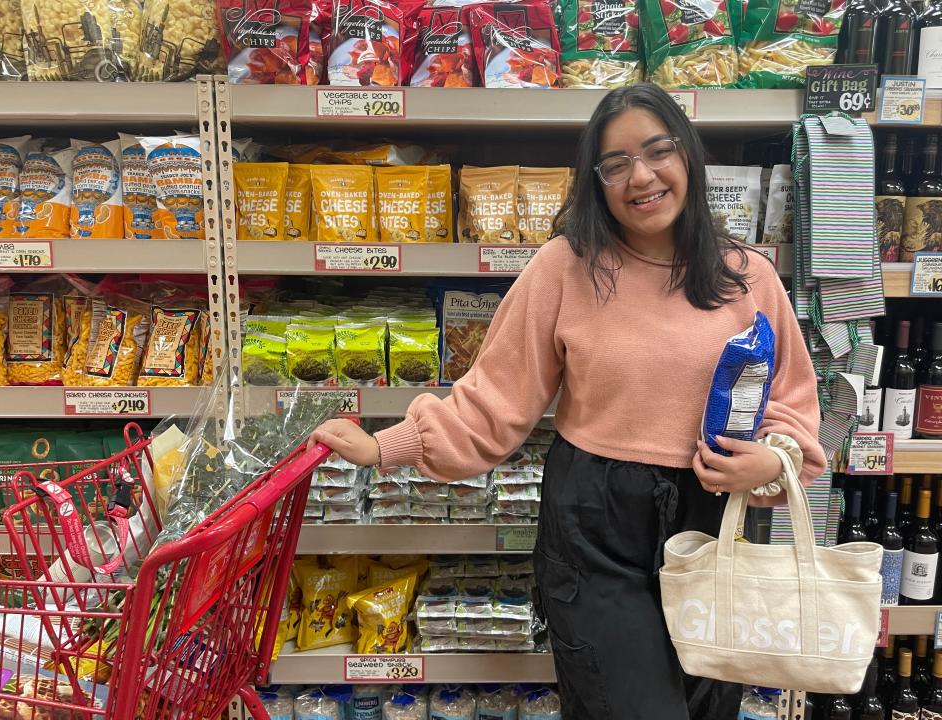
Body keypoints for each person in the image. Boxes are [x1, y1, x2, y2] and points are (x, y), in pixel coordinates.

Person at [307, 84, 826, 720]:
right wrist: (386, 445)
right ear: (597, 181)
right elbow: (494, 394)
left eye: (658, 151)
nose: (641, 176)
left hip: (716, 518)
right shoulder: (565, 267)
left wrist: (773, 462)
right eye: (616, 163)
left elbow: (791, 399)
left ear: (688, 157)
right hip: (595, 523)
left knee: (706, 706)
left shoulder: (748, 275)